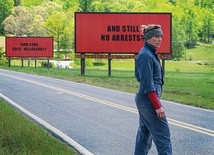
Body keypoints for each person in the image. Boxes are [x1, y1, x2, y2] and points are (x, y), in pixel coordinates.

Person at [134, 24, 172, 155]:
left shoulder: (149, 53)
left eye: (161, 36)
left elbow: (142, 78)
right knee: (163, 136)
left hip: (145, 100)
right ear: (148, 38)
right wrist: (157, 105)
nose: (160, 39)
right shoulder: (145, 55)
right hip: (148, 101)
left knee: (144, 135)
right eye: (156, 36)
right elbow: (148, 84)